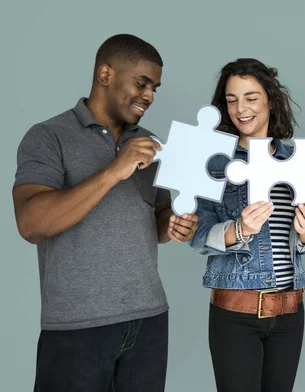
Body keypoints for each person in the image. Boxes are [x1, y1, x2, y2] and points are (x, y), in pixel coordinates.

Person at [12, 34, 198, 392]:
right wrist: (115, 169)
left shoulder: (149, 142)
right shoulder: (48, 137)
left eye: (155, 88)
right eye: (142, 83)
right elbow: (31, 223)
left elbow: (156, 218)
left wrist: (173, 224)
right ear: (105, 74)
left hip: (149, 320)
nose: (150, 96)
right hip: (76, 327)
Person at [189, 58, 305, 392]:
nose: (241, 108)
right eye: (232, 99)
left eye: (250, 97)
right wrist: (239, 230)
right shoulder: (214, 161)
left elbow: (304, 239)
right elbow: (198, 235)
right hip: (236, 313)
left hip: (291, 311)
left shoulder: (297, 158)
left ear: (270, 100)